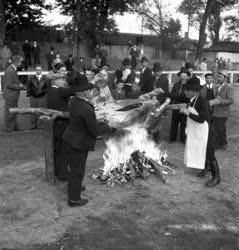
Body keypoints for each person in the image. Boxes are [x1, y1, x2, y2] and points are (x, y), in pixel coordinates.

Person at [160, 76, 221, 187]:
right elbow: (177, 97)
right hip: (197, 131)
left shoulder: (203, 102)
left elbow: (202, 119)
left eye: (187, 90)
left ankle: (216, 177)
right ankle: (206, 168)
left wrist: (187, 112)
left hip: (206, 132)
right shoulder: (190, 98)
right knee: (202, 151)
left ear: (195, 92)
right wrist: (164, 93)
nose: (185, 92)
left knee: (210, 153)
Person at [63, 76, 111, 207]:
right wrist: (108, 125)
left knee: (74, 168)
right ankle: (74, 198)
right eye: (89, 90)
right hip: (78, 142)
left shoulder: (74, 101)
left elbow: (88, 121)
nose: (91, 92)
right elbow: (95, 130)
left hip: (71, 138)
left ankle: (75, 187)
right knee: (77, 170)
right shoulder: (85, 108)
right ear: (84, 92)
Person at [47, 63, 75, 181]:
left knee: (58, 149)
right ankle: (63, 174)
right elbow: (74, 90)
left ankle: (59, 172)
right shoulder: (59, 91)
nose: (64, 81)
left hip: (56, 124)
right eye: (61, 79)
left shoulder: (51, 91)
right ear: (55, 81)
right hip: (61, 124)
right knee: (62, 149)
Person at [210, 70, 234, 150]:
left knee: (217, 128)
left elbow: (231, 100)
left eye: (221, 77)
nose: (219, 78)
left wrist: (220, 101)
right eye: (218, 77)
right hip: (215, 112)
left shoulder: (229, 88)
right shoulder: (217, 86)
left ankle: (217, 145)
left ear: (225, 78)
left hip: (223, 112)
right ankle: (223, 143)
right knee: (220, 128)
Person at [3, 55, 26, 132]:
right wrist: (20, 87)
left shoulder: (12, 69)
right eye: (21, 62)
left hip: (12, 95)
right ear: (16, 62)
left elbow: (14, 81)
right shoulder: (10, 70)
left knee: (14, 112)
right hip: (10, 96)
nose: (21, 63)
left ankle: (14, 127)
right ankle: (9, 128)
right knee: (10, 113)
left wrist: (19, 84)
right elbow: (9, 84)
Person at [168, 67, 190, 143]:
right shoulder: (176, 85)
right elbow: (172, 94)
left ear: (187, 76)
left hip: (185, 107)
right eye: (181, 76)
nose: (182, 77)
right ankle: (172, 138)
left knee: (184, 123)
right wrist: (170, 102)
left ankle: (183, 138)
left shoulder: (189, 85)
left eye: (184, 76)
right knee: (174, 122)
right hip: (176, 106)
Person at [27, 65, 48, 129]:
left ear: (42, 70)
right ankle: (33, 125)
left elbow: (47, 88)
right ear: (35, 70)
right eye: (37, 69)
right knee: (33, 112)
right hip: (33, 97)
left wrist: (43, 92)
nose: (38, 71)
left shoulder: (46, 78)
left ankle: (40, 125)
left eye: (39, 69)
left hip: (42, 97)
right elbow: (29, 87)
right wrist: (28, 95)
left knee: (41, 112)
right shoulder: (31, 77)